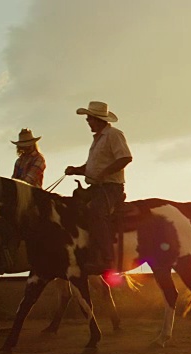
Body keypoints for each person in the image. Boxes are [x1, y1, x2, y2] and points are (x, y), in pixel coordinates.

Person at [65, 101, 132, 274]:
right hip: (97, 187)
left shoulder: (113, 135)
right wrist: (76, 170)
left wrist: (105, 173)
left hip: (111, 188)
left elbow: (125, 158)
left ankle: (106, 258)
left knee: (96, 211)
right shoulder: (98, 139)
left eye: (89, 119)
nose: (88, 122)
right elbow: (92, 168)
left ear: (98, 119)